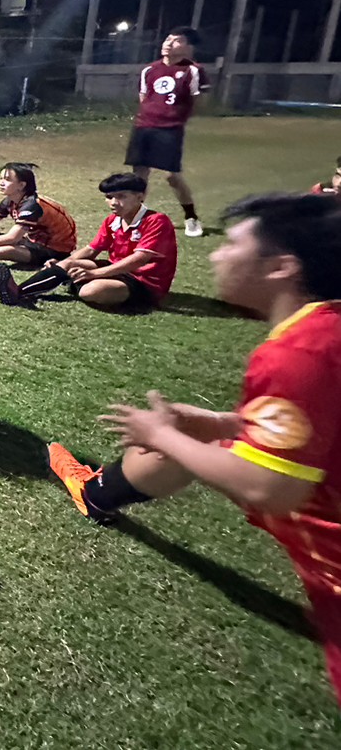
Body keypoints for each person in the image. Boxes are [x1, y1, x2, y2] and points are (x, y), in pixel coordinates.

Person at [46, 193, 341, 706]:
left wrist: (162, 435)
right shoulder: (327, 329)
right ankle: (96, 494)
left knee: (181, 444)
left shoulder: (298, 354)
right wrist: (224, 423)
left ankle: (98, 492)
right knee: (198, 441)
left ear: (281, 267)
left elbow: (269, 488)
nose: (216, 255)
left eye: (233, 245)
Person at [0, 172, 177, 312]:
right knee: (69, 264)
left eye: (121, 196)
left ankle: (70, 281)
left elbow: (138, 260)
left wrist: (94, 273)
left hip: (144, 282)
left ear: (140, 196)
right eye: (109, 197)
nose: (113, 202)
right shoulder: (112, 221)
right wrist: (62, 264)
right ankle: (19, 292)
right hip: (116, 270)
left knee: (90, 291)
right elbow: (91, 249)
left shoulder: (156, 221)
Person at [125, 27, 209, 237]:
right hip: (144, 126)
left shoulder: (193, 70)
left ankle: (191, 217)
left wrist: (177, 117)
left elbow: (199, 102)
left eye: (177, 40)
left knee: (172, 176)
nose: (169, 43)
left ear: (189, 47)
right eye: (168, 39)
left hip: (170, 128)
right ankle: (136, 219)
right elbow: (144, 98)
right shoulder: (149, 70)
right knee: (139, 175)